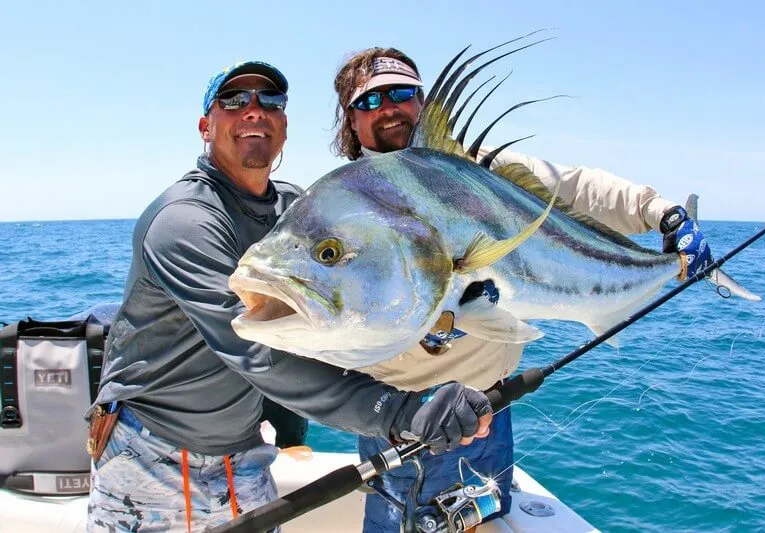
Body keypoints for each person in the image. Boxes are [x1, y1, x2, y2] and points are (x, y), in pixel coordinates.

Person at [86, 60, 494, 533]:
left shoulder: (293, 208)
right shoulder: (184, 221)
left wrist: (441, 325)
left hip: (243, 455)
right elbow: (255, 352)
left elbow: (361, 300)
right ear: (205, 126)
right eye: (235, 100)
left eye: (270, 102)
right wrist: (401, 411)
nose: (254, 111)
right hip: (150, 456)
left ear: (283, 125)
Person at [331, 48, 713, 532]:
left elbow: (576, 187)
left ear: (422, 104)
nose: (388, 107)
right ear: (351, 120)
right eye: (370, 100)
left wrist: (662, 213)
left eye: (402, 93)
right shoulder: (345, 206)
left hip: (492, 408)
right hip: (407, 419)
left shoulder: (482, 171)